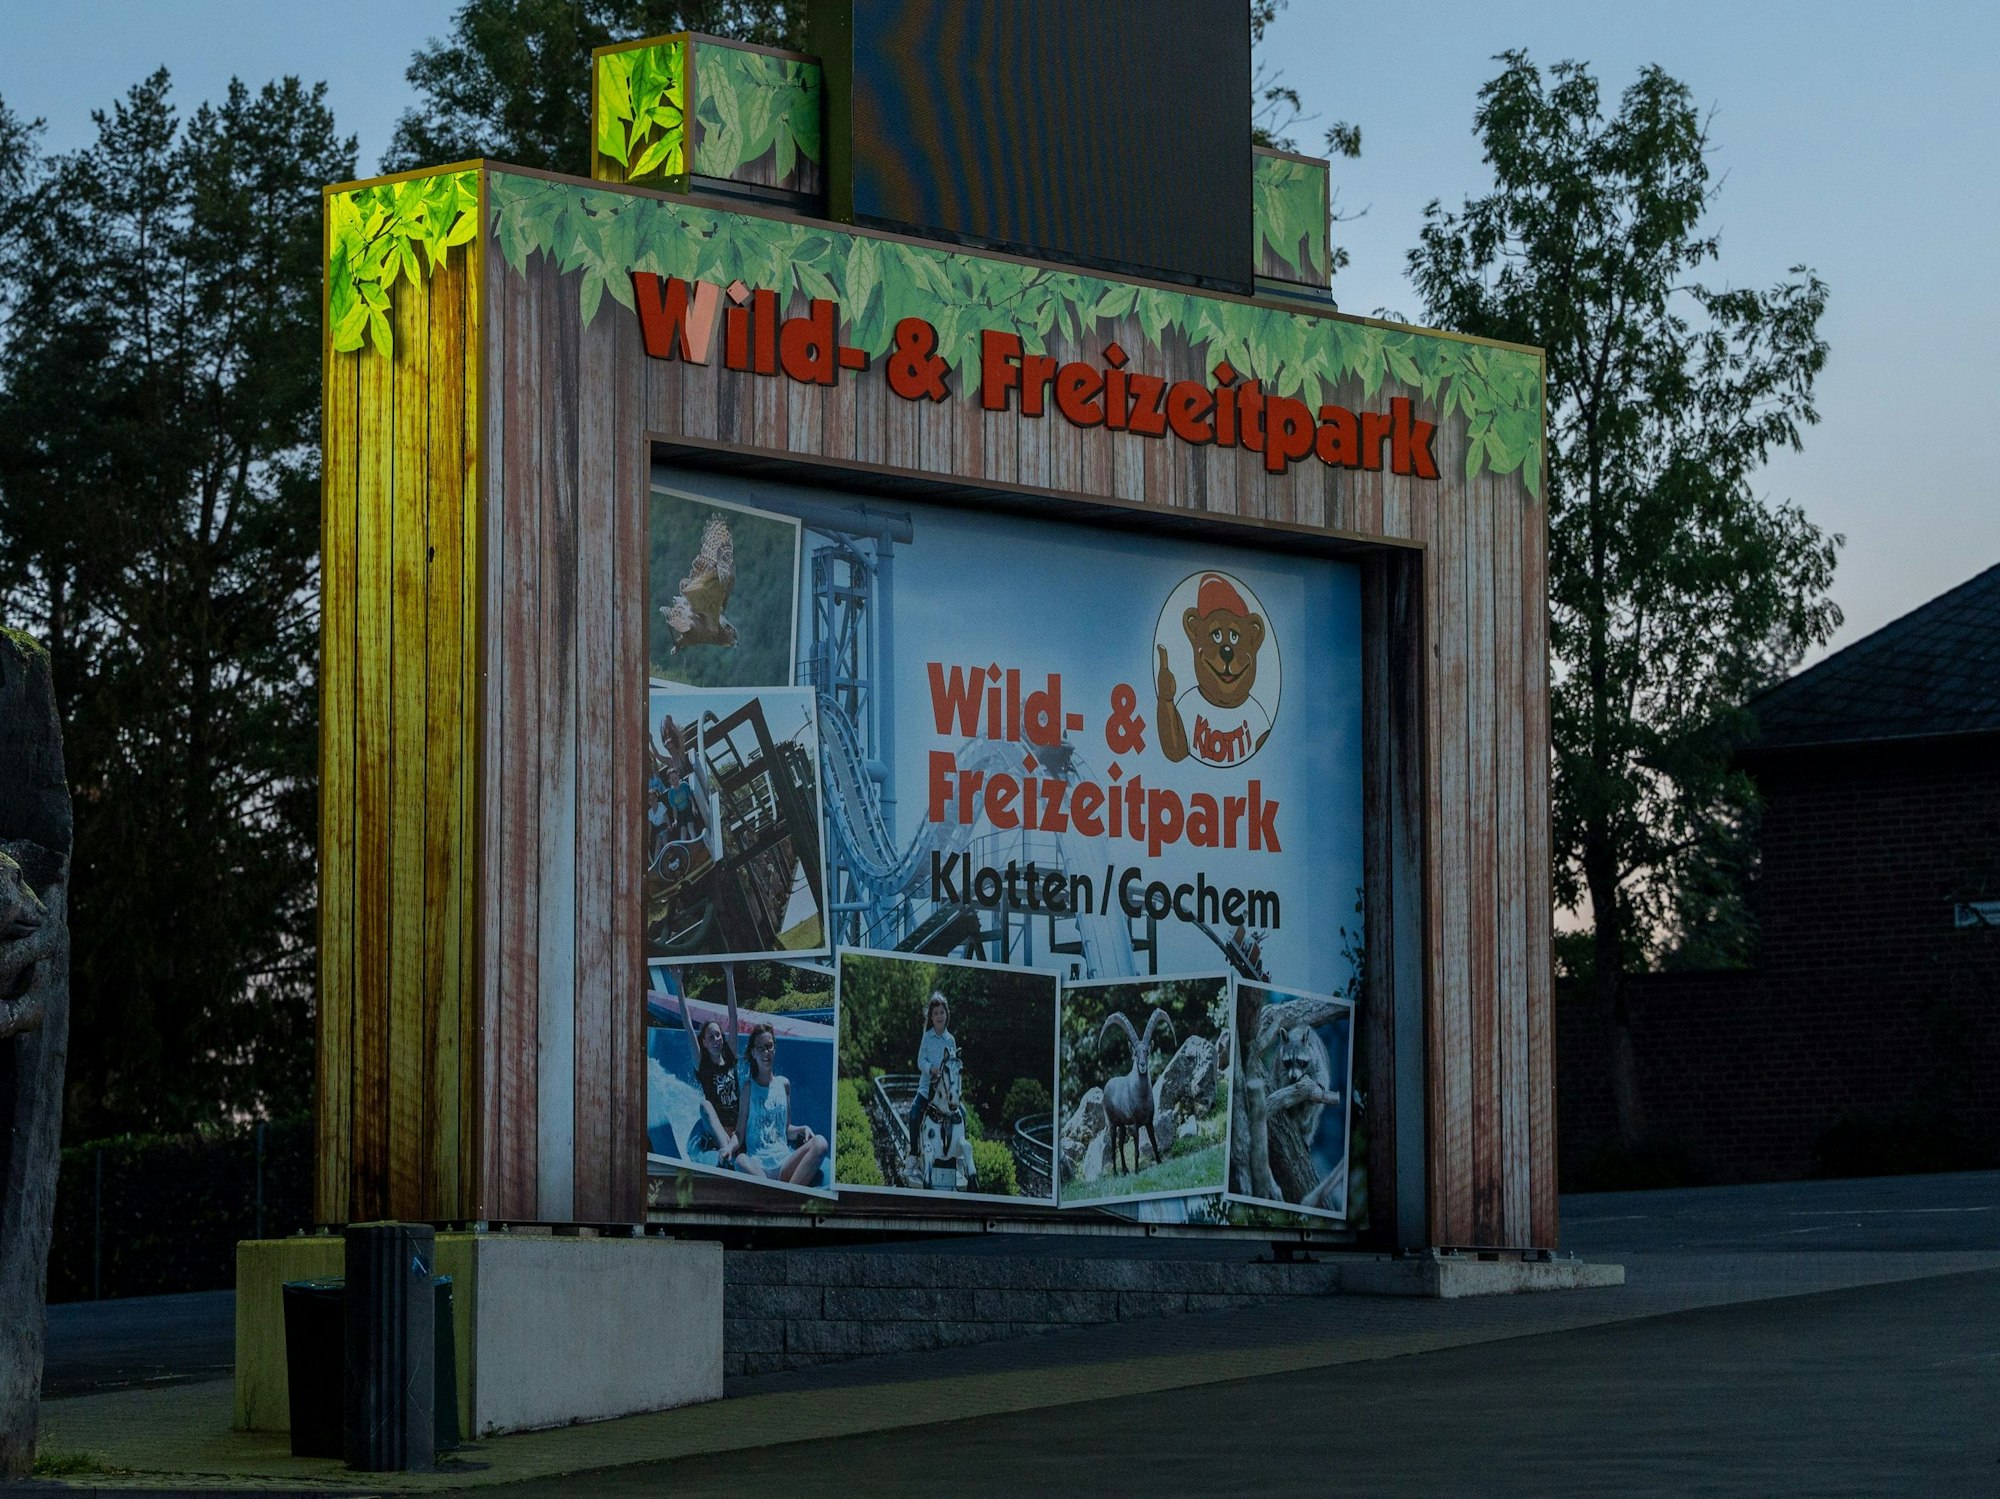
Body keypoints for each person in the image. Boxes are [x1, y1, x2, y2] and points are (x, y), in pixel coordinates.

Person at [733, 1022, 829, 1187]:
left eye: (770, 1046)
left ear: (775, 1049)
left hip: (785, 1164)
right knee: (740, 1160)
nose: (766, 1052)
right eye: (761, 1048)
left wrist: (802, 1129)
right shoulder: (748, 1088)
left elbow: (785, 1129)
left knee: (820, 1143)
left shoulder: (784, 1084)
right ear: (753, 1053)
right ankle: (786, 1193)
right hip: (757, 1167)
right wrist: (728, 1148)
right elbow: (740, 1133)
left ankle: (783, 1193)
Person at [678, 965, 743, 1166]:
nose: (717, 1039)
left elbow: (733, 1018)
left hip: (738, 1127)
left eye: (719, 1035)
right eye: (711, 1036)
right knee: (705, 1105)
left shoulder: (730, 1056)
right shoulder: (703, 1064)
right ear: (704, 1042)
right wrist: (678, 983)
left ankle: (733, 1146)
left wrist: (730, 974)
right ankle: (727, 1151)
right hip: (719, 1129)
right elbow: (688, 1026)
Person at [905, 993, 960, 1177]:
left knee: (962, 1115)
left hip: (946, 1091)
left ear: (947, 1014)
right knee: (914, 1115)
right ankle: (913, 1154)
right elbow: (920, 1061)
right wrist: (932, 1069)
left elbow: (953, 1063)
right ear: (931, 1017)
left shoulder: (950, 1039)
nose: (939, 1016)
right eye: (935, 1013)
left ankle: (957, 1156)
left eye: (942, 1012)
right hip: (927, 1087)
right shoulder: (927, 1037)